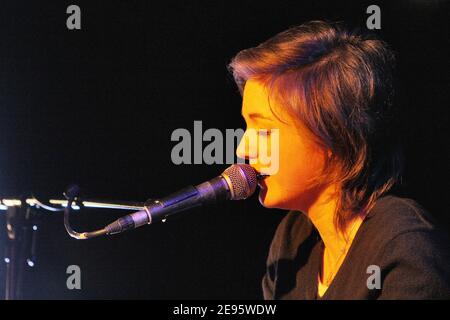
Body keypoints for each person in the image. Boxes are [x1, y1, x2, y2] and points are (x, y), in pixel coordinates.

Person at [229, 20, 450, 299]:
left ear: (334, 134)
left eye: (263, 129)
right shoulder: (293, 240)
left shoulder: (405, 249)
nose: (244, 148)